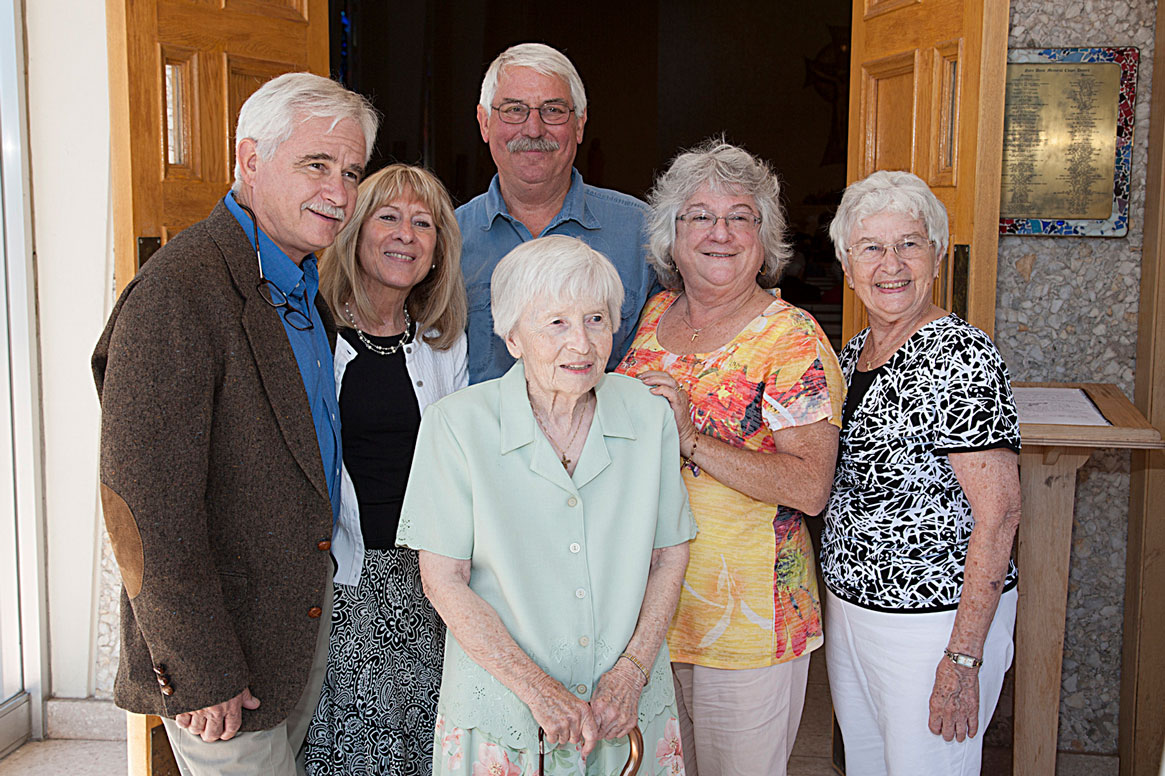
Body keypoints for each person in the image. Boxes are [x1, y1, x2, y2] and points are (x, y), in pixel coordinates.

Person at [92, 72, 378, 775]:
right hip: (223, 661)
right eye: (316, 165)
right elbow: (144, 507)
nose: (339, 194)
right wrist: (199, 667)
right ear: (249, 161)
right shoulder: (178, 292)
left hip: (291, 631)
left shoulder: (303, 284)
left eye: (350, 171)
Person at [397, 235, 696, 775]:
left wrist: (630, 673)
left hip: (622, 713)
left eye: (596, 320)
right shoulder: (457, 425)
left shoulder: (648, 417)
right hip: (505, 715)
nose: (581, 343)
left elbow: (669, 555)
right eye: (555, 323)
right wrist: (537, 689)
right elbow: (443, 579)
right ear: (512, 336)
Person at [616, 139, 845, 776]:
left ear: (764, 237)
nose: (721, 233)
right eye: (700, 216)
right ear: (671, 235)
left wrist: (691, 440)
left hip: (748, 621)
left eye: (740, 216)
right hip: (648, 615)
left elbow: (809, 487)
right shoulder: (655, 314)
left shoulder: (790, 336)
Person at [822, 170, 1022, 776]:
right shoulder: (855, 351)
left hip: (931, 624)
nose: (892, 264)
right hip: (853, 612)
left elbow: (1002, 511)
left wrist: (962, 659)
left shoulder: (960, 355)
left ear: (937, 255)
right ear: (846, 262)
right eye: (872, 248)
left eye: (909, 244)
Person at [302, 164, 468, 775]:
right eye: (389, 218)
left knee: (423, 742)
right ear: (354, 230)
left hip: (429, 577)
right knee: (348, 745)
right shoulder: (315, 331)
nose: (406, 235)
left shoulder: (443, 342)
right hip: (342, 577)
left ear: (436, 251)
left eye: (423, 224)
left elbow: (457, 465)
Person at [457, 42, 657, 384]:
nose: (533, 129)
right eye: (514, 110)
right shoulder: (447, 238)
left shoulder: (644, 233)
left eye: (553, 110)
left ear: (579, 125)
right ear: (484, 123)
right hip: (485, 438)